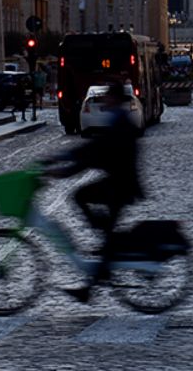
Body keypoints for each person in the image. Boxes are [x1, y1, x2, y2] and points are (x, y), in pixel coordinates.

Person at [47, 81, 144, 303]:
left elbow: (97, 153)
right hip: (119, 181)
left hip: (121, 185)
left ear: (115, 99)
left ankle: (90, 286)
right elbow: (93, 149)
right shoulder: (119, 119)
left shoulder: (120, 122)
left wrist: (66, 169)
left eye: (108, 97)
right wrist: (63, 159)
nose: (105, 100)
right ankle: (105, 239)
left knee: (81, 197)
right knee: (98, 219)